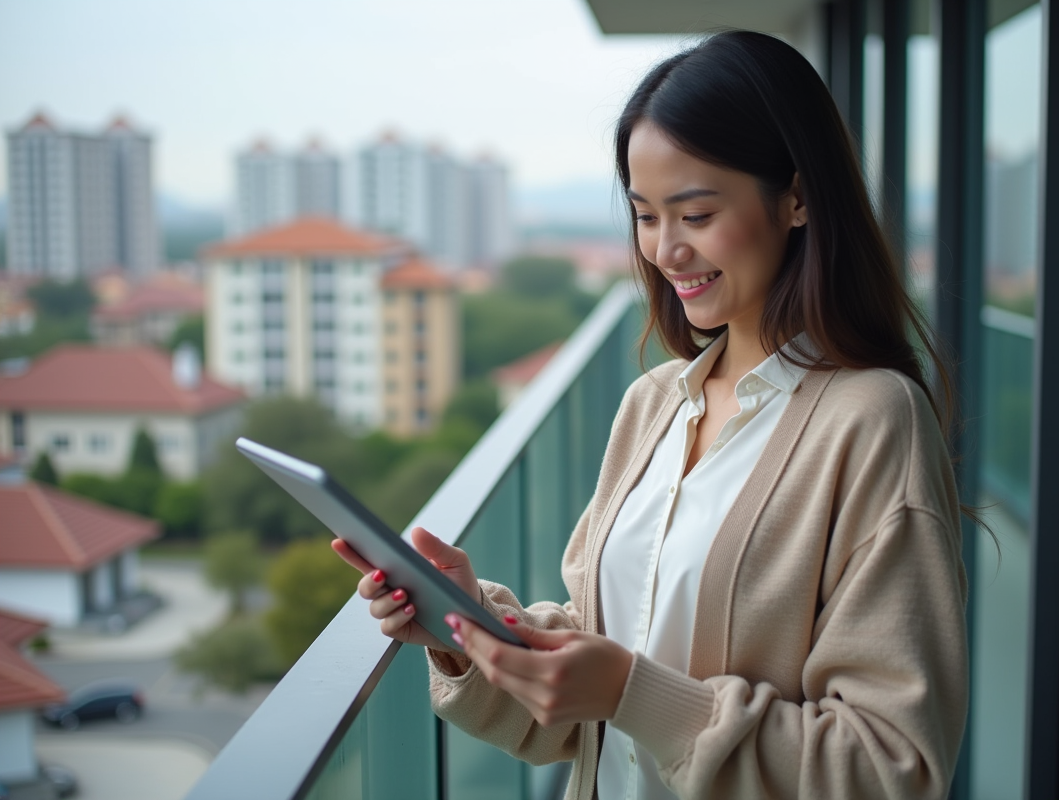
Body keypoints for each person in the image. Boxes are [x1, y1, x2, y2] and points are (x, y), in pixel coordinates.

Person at [333, 30, 969, 800]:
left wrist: (632, 692)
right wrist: (473, 626)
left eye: (695, 214)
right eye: (644, 215)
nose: (665, 252)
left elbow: (888, 768)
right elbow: (591, 703)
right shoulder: (654, 405)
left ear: (797, 198)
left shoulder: (874, 422)